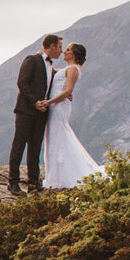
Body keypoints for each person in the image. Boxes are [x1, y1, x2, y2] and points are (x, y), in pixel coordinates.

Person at [7, 34, 62, 193]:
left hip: (41, 113)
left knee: (35, 147)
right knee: (19, 145)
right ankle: (13, 182)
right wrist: (34, 102)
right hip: (26, 111)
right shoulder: (32, 60)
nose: (61, 51)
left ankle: (33, 181)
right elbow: (22, 83)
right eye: (59, 47)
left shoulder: (51, 67)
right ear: (51, 46)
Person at [42, 42, 100, 188]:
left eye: (67, 50)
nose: (64, 52)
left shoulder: (73, 69)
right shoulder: (68, 68)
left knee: (59, 135)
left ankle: (61, 177)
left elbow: (67, 91)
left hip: (59, 106)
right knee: (54, 137)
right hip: (56, 105)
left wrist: (49, 102)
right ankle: (55, 176)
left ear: (74, 54)